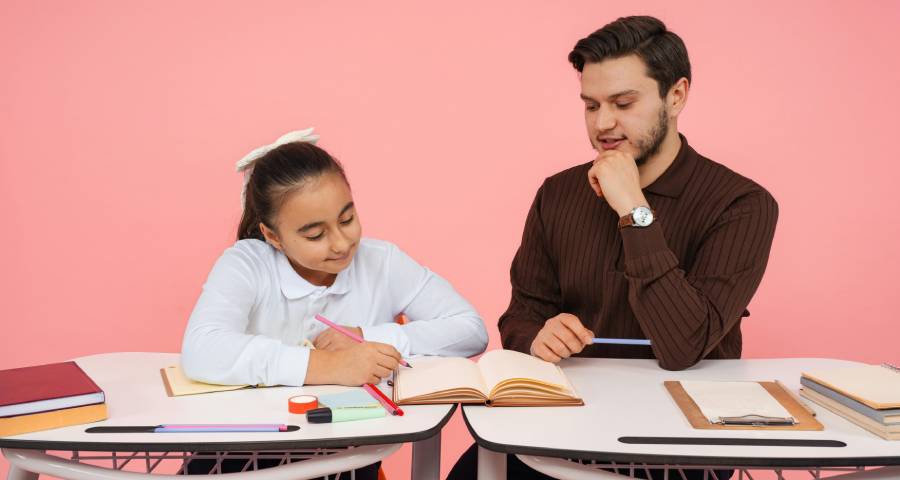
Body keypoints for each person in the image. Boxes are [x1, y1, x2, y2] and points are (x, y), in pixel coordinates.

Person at [449, 15, 777, 480]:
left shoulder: (742, 204)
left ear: (676, 95)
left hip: (679, 444)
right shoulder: (557, 193)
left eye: (623, 103)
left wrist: (632, 208)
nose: (603, 124)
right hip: (562, 427)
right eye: (590, 105)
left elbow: (684, 346)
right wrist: (537, 337)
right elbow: (520, 316)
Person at [181, 129, 489, 478]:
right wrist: (328, 365)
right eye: (315, 235)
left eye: (347, 219)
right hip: (242, 458)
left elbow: (470, 330)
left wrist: (367, 337)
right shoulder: (247, 263)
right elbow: (201, 348)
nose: (341, 244)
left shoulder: (381, 261)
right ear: (272, 236)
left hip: (348, 461)